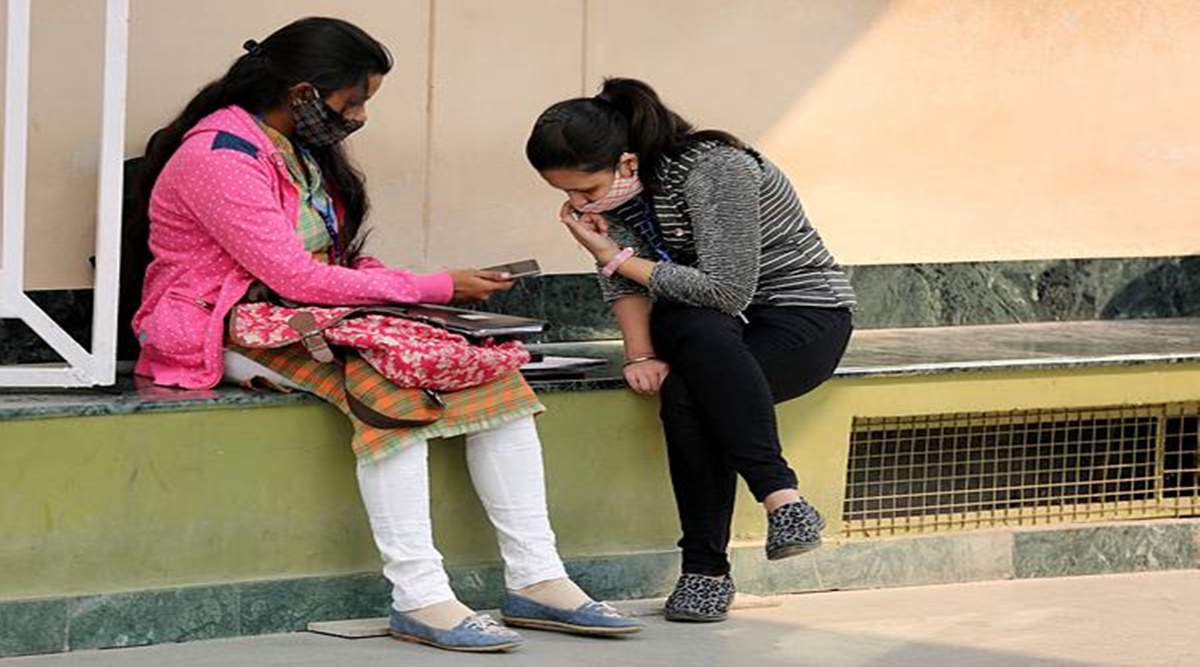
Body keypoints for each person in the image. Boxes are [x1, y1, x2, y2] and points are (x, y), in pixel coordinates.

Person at [131, 17, 639, 653]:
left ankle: (538, 579)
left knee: (493, 368)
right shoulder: (220, 156)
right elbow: (292, 275)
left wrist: (425, 297)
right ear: (303, 94)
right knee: (389, 376)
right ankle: (419, 596)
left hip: (309, 315)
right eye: (356, 100)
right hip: (224, 324)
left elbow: (324, 266)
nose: (362, 116)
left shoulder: (293, 148)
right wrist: (433, 288)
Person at [525, 78, 856, 623]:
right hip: (707, 330)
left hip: (802, 316)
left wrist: (611, 253)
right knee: (691, 342)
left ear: (627, 162)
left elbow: (728, 290)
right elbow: (629, 285)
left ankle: (712, 564)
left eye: (585, 191)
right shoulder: (625, 194)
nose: (576, 204)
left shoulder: (714, 169)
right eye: (564, 193)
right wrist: (639, 355)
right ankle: (784, 506)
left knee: (690, 388)